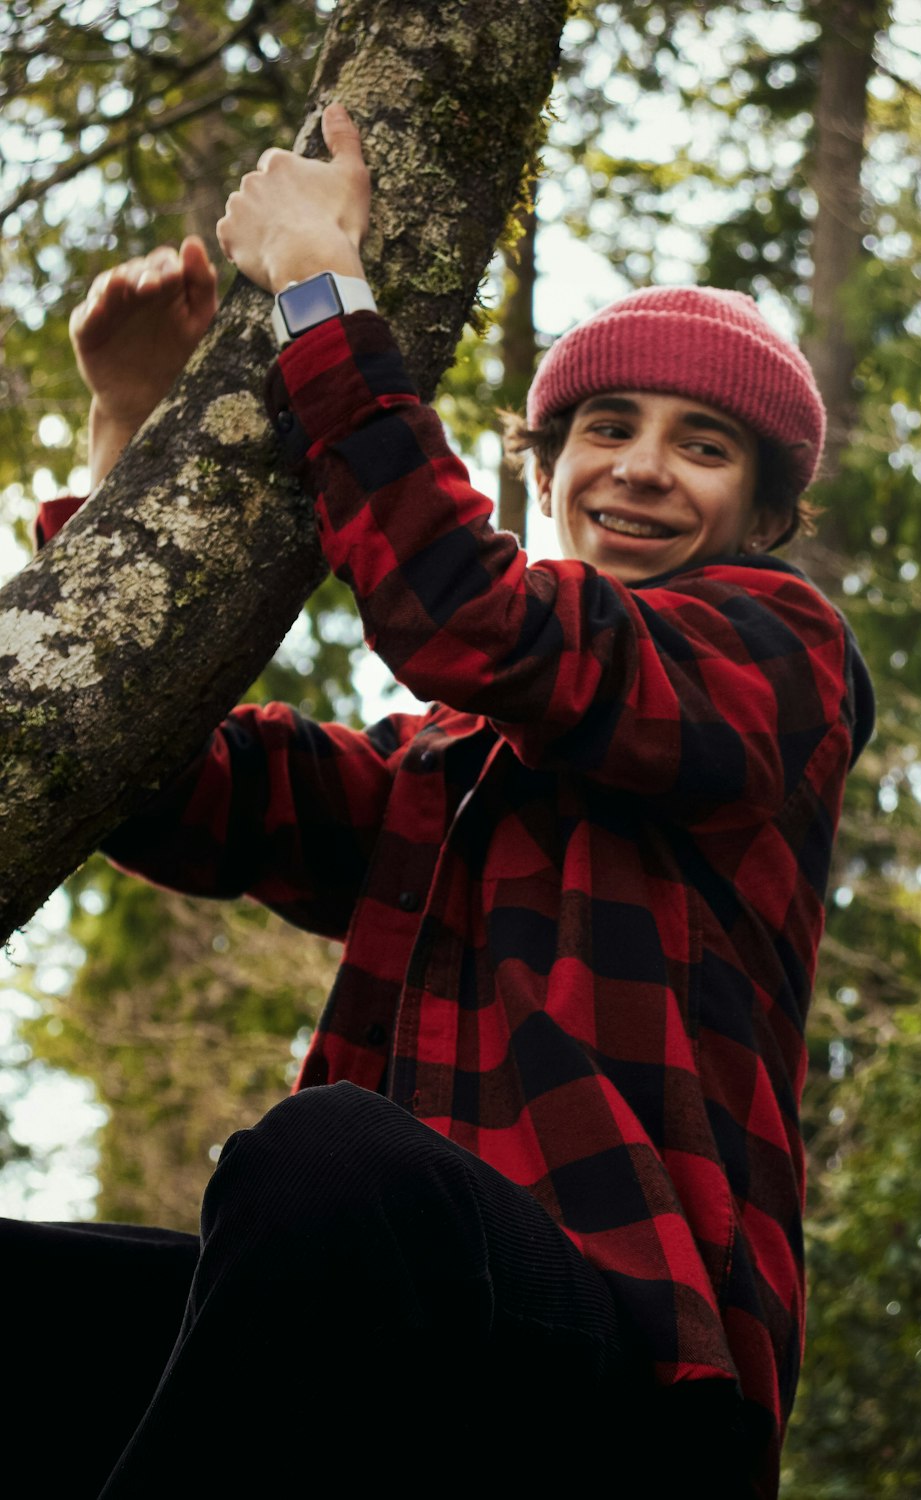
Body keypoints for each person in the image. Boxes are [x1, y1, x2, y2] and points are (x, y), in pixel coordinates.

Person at [20, 105, 873, 1497]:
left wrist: (318, 287)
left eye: (704, 447)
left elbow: (471, 616)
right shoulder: (456, 764)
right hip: (407, 1320)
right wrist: (130, 447)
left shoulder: (777, 664)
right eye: (605, 428)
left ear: (767, 522)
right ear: (551, 473)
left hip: (634, 1374)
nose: (643, 466)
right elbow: (185, 790)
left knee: (333, 1163)